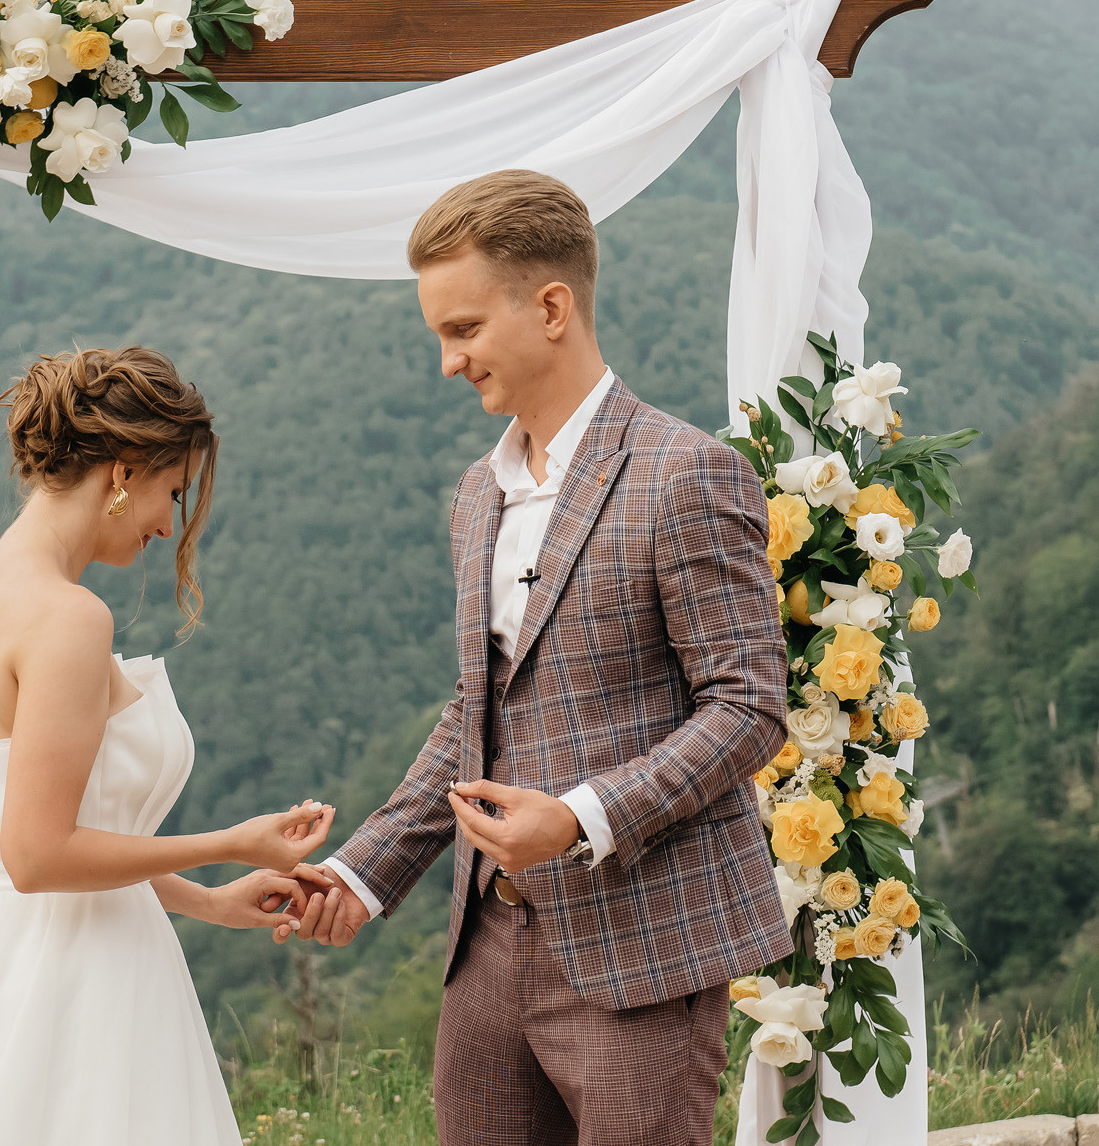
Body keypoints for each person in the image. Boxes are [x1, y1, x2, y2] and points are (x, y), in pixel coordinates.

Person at [282, 171, 793, 1146]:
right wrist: (362, 872)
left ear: (551, 307)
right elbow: (474, 710)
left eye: (464, 328)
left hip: (642, 948)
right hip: (484, 950)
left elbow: (749, 706)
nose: (448, 361)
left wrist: (580, 817)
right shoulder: (477, 494)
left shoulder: (688, 472)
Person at [0, 347, 329, 1146]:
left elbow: (22, 840)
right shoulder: (68, 617)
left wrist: (209, 901)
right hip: (73, 982)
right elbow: (40, 854)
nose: (168, 524)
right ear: (123, 470)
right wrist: (233, 841)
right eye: (171, 490)